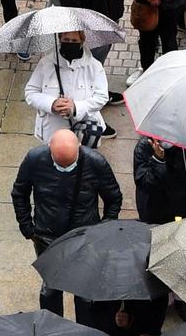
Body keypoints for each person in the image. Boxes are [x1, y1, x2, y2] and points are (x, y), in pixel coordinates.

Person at [12, 127, 122, 316]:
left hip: (85, 237)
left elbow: (114, 198)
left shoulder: (96, 163)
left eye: (69, 164)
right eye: (59, 164)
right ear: (49, 149)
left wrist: (104, 229)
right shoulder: (34, 159)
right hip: (47, 238)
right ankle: (52, 326)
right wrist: (27, 227)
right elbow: (19, 193)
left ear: (79, 147)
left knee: (85, 291)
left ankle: (84, 327)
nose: (64, 168)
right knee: (51, 289)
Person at [24, 28, 109, 146]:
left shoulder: (94, 66)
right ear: (60, 39)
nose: (70, 43)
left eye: (74, 41)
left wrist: (76, 107)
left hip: (83, 133)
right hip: (52, 132)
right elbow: (31, 92)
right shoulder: (46, 63)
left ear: (81, 41)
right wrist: (51, 103)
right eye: (66, 40)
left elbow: (102, 97)